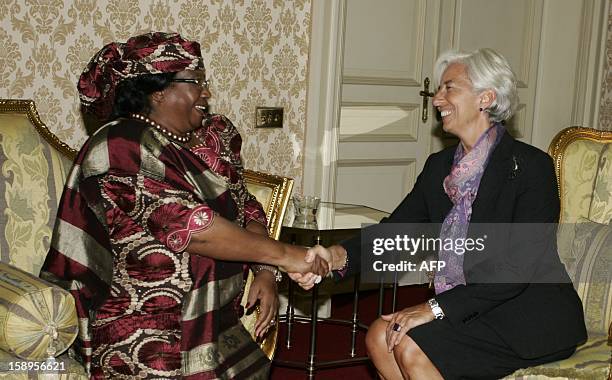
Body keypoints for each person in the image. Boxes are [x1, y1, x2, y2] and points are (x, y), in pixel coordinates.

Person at [40, 32, 329, 379]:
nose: (206, 92)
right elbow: (193, 227)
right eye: (196, 82)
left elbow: (246, 205)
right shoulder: (121, 145)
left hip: (218, 321)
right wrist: (286, 256)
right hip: (151, 329)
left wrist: (266, 272)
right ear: (158, 90)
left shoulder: (211, 139)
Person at [290, 48, 587, 379]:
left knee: (410, 345)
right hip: (473, 310)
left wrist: (433, 308)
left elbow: (516, 269)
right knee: (379, 336)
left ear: (485, 98)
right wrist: (334, 255)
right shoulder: (439, 169)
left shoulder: (530, 167)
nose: (436, 99)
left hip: (530, 315)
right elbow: (398, 232)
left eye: (450, 87)